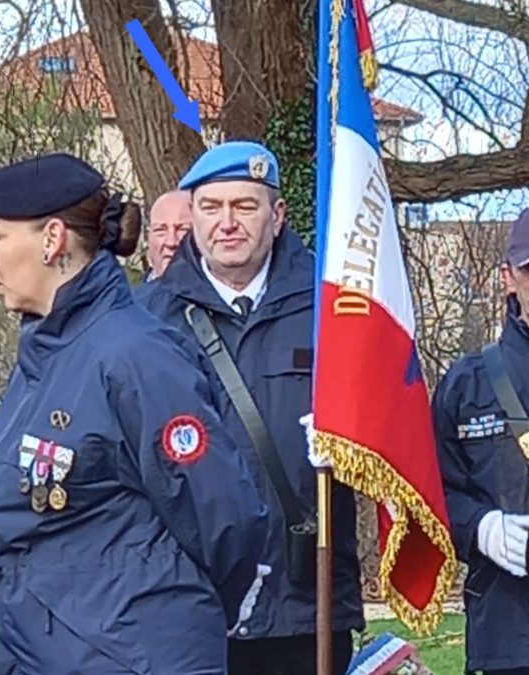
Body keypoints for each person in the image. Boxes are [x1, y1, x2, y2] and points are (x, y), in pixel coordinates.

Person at [0, 153, 270, 674]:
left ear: (53, 238)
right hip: (48, 651)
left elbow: (224, 518)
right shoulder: (47, 353)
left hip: (130, 656)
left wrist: (161, 620)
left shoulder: (136, 357)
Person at [137, 140, 363, 675]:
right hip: (189, 601)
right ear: (191, 217)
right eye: (211, 208)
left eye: (245, 206)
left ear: (277, 215)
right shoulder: (147, 319)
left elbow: (387, 425)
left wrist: (353, 443)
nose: (227, 223)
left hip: (305, 600)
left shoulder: (334, 306)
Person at [432, 206, 529, 675]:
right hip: (503, 627)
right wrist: (479, 527)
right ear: (509, 276)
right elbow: (432, 489)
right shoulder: (468, 383)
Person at [144, 190, 193, 281]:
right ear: (149, 238)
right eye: (160, 230)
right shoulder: (129, 295)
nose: (171, 242)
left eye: (183, 230)